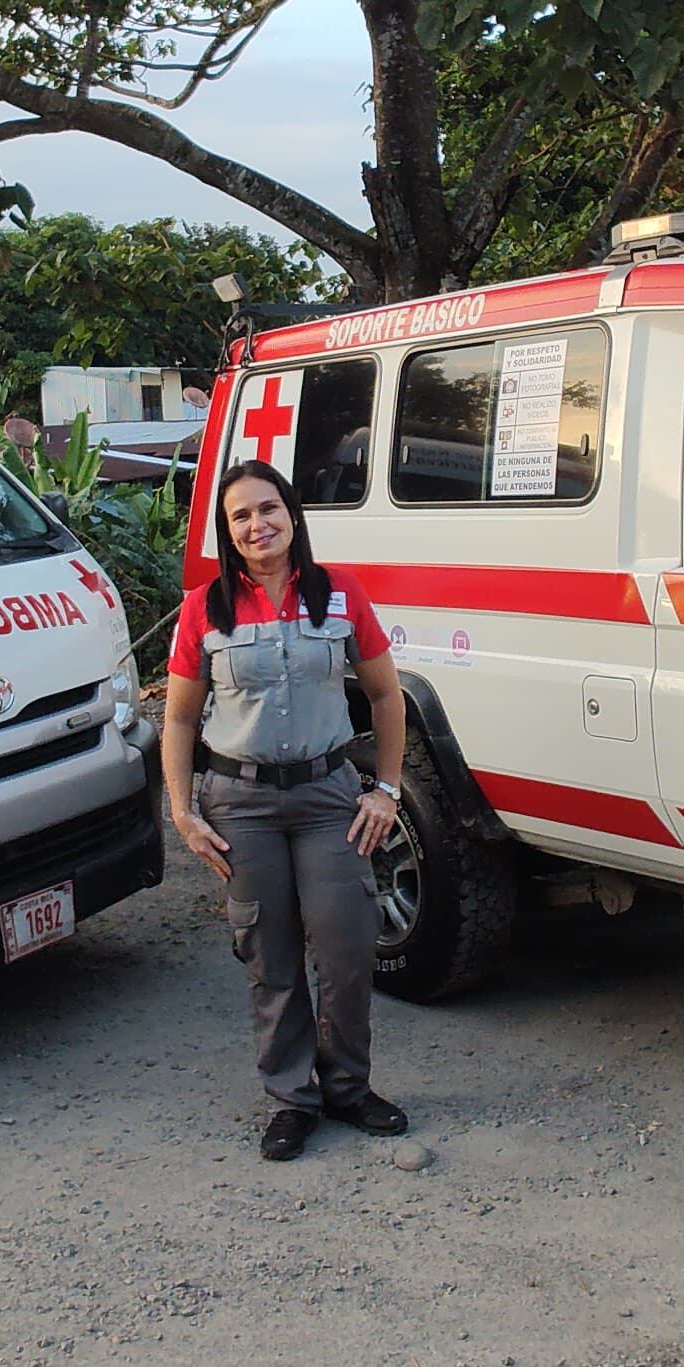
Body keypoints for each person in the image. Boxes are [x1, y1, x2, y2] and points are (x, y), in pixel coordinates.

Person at [158, 459, 415, 1160]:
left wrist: (385, 790)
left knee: (346, 944)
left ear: (293, 516)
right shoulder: (205, 609)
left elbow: (388, 697)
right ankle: (291, 1099)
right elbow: (178, 722)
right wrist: (183, 813)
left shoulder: (338, 596)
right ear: (228, 532)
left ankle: (349, 1089)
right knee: (269, 954)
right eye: (240, 516)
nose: (257, 524)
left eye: (268, 509)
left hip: (328, 795)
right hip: (239, 804)